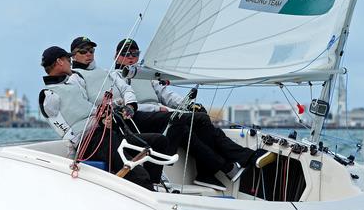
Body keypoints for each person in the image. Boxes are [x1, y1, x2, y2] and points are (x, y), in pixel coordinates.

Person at [113, 38, 259, 191]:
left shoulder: (145, 76)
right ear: (116, 56)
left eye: (135, 54)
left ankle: (209, 172)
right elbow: (124, 103)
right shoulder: (115, 77)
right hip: (140, 119)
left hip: (162, 117)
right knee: (200, 119)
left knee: (197, 118)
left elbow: (166, 95)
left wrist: (189, 105)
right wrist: (155, 109)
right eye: (126, 54)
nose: (131, 57)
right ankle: (234, 161)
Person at [38, 45, 168, 191]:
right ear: (60, 62)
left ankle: (154, 185)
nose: (70, 61)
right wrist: (78, 144)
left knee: (159, 141)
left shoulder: (72, 85)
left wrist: (102, 119)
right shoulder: (49, 95)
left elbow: (89, 110)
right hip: (91, 142)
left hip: (106, 134)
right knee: (139, 174)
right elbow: (61, 127)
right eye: (68, 59)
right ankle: (149, 194)